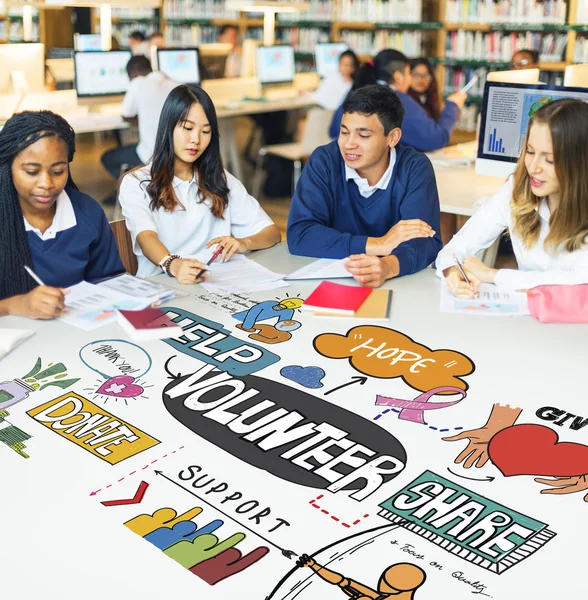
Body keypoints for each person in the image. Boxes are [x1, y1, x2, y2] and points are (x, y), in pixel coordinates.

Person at [118, 85, 281, 281]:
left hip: (218, 285)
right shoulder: (136, 183)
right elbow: (146, 237)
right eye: (187, 128)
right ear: (168, 127)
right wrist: (174, 265)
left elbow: (271, 233)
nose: (196, 139)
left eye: (205, 131)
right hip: (163, 287)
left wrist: (243, 243)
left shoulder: (220, 178)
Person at [287, 85, 442, 288]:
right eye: (344, 132)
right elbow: (300, 234)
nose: (349, 144)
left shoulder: (414, 168)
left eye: (363, 135)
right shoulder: (324, 160)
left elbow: (425, 241)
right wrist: (379, 244)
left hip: (399, 283)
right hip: (331, 281)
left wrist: (387, 266)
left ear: (392, 137)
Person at [437, 98, 588, 297]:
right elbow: (457, 247)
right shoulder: (516, 189)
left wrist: (492, 275)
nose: (533, 167)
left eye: (549, 160)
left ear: (579, 164)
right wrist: (452, 271)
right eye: (530, 152)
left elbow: (577, 283)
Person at [0, 111, 124, 319]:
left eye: (58, 171)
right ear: (7, 167)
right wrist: (17, 305)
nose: (46, 184)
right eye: (31, 171)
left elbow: (109, 281)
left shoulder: (87, 213)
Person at [329, 50, 466, 152]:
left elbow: (333, 131)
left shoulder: (355, 92)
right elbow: (435, 138)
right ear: (398, 76)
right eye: (408, 73)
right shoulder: (396, 100)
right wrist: (452, 105)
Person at [101, 56, 179, 181]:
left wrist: (142, 120)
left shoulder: (138, 82)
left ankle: (141, 187)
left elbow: (126, 114)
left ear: (133, 74)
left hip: (152, 155)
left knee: (107, 158)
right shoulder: (176, 84)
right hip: (177, 155)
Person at [296, 554, 427, 599]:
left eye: (386, 582)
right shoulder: (381, 597)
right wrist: (314, 565)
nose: (381, 583)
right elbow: (342, 581)